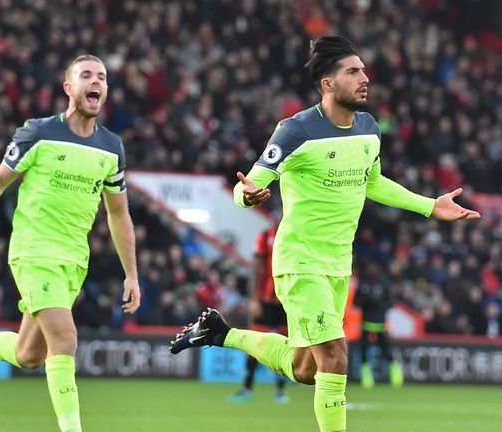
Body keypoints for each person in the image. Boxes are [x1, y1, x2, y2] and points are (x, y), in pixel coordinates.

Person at [170, 36, 479, 432]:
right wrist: (248, 196)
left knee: (307, 371)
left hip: (337, 266)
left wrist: (429, 205)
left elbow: (374, 183)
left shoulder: (368, 127)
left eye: (364, 70)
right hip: (299, 261)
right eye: (353, 72)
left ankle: (220, 333)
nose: (365, 78)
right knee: (335, 355)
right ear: (328, 84)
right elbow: (246, 186)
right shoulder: (296, 130)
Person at [0, 54, 141, 432]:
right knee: (65, 339)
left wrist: (132, 274)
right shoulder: (39, 133)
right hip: (33, 251)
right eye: (86, 75)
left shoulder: (112, 148)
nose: (96, 82)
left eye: (102, 77)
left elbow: (118, 214)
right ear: (69, 88)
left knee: (29, 356)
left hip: (74, 260)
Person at [227, 224, 290, 404]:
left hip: (286, 302)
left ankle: (280, 391)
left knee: (287, 346)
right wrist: (253, 299)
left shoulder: (297, 233)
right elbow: (254, 267)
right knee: (255, 343)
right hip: (264, 301)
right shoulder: (265, 236)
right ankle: (247, 389)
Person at [353, 261, 403, 388]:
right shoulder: (364, 284)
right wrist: (367, 302)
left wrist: (377, 303)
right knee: (364, 350)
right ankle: (366, 377)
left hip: (380, 324)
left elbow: (390, 303)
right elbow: (356, 302)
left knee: (386, 350)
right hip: (366, 323)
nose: (372, 272)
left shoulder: (384, 284)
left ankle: (395, 373)